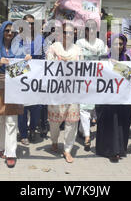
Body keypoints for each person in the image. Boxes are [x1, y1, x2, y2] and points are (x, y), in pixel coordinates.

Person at [0, 21, 29, 168]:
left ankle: (11, 153)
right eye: (7, 30)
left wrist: (26, 62)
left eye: (12, 31)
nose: (9, 33)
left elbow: (23, 71)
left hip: (14, 88)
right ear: (2, 31)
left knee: (11, 121)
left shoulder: (19, 48)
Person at [96, 34, 131, 163]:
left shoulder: (126, 58)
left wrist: (117, 66)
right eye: (115, 44)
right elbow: (97, 77)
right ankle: (108, 151)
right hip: (107, 100)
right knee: (109, 123)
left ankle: (119, 149)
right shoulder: (103, 58)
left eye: (120, 44)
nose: (118, 46)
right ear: (110, 44)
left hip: (123, 99)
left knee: (121, 124)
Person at [46, 22, 82, 163]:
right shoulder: (53, 48)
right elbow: (48, 67)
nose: (67, 35)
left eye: (70, 32)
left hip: (73, 90)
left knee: (71, 121)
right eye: (65, 32)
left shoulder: (78, 49)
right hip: (57, 90)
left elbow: (84, 68)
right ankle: (54, 140)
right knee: (55, 121)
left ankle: (67, 149)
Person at [75, 20, 106, 151]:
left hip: (96, 80)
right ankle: (87, 136)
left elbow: (104, 61)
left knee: (92, 108)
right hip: (83, 80)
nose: (91, 31)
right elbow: (77, 60)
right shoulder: (79, 43)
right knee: (84, 107)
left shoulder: (101, 43)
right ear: (85, 30)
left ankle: (83, 131)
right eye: (88, 28)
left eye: (93, 28)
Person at [17, 14, 44, 145]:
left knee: (36, 107)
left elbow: (44, 58)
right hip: (21, 78)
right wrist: (25, 62)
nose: (30, 26)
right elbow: (13, 59)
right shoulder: (17, 39)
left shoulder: (40, 39)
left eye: (32, 23)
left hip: (36, 78)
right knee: (22, 108)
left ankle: (33, 129)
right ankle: (23, 134)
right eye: (27, 23)